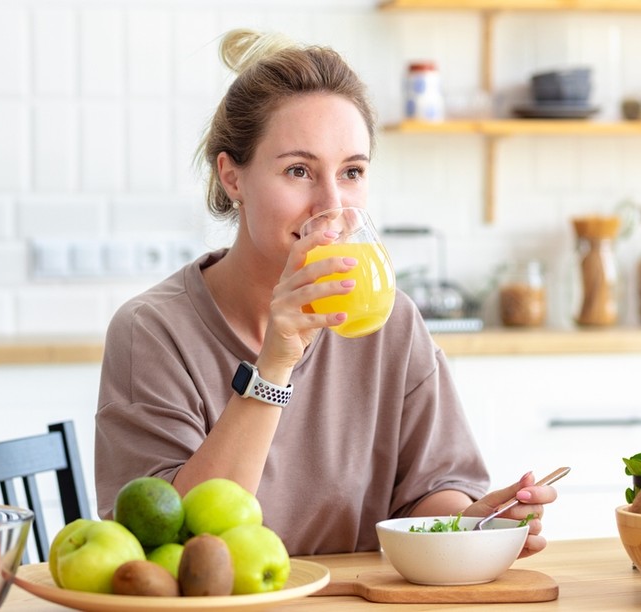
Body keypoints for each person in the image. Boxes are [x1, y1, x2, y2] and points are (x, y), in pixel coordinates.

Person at [95, 28, 558, 557]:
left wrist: (473, 526)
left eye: (352, 172)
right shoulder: (153, 332)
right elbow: (169, 541)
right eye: (298, 170)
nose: (331, 205)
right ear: (233, 178)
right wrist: (274, 365)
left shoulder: (390, 322)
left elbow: (432, 492)